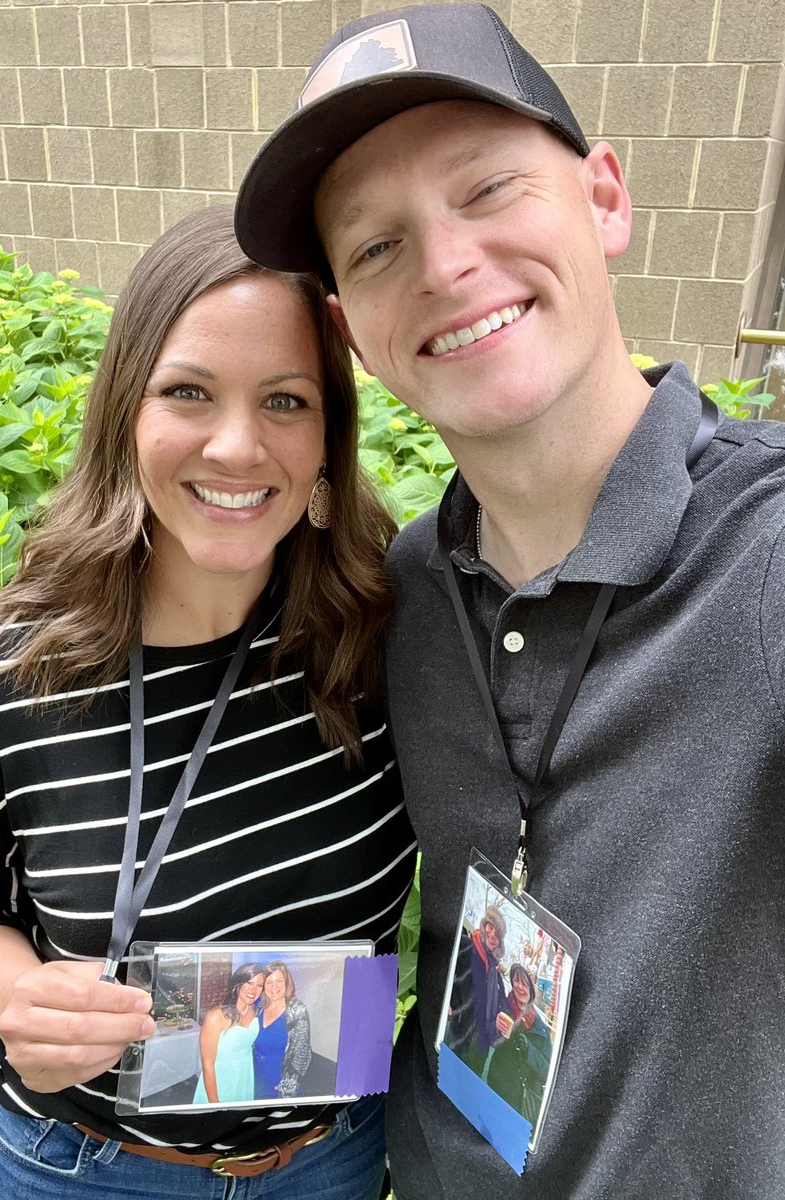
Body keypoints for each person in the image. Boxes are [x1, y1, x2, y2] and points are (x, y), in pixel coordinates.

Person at [234, 4, 785, 1197]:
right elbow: (457, 967)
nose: (441, 265)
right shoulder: (409, 594)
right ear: (353, 333)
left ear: (604, 200)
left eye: (486, 191)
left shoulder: (766, 553)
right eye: (374, 247)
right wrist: (146, 1041)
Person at [0, 205, 416, 1200]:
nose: (235, 445)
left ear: (329, 443)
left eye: (287, 401)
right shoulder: (1, 683)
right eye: (189, 392)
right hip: (84, 1166)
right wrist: (20, 1003)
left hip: (332, 1161)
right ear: (126, 414)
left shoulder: (384, 650)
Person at [444, 905, 507, 1077]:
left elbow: (501, 1006)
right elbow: (444, 972)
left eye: (498, 934)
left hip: (479, 1052)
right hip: (456, 1036)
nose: (493, 934)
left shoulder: (495, 972)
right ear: (484, 925)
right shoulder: (464, 946)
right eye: (491, 927)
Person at [487, 964, 551, 1125]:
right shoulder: (502, 1006)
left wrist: (528, 1048)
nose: (519, 987)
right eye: (516, 980)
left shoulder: (541, 1030)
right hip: (493, 1086)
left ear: (532, 989)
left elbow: (546, 1071)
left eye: (524, 983)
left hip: (518, 1104)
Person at [193, 963, 265, 1105]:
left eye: (259, 985)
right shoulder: (216, 1017)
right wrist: (215, 1105)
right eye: (249, 982)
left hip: (244, 1075)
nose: (254, 990)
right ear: (238, 983)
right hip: (220, 1081)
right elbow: (207, 1065)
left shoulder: (254, 1010)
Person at [253, 960, 312, 1099]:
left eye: (279, 980)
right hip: (256, 1075)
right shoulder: (259, 1005)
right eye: (269, 982)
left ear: (287, 982)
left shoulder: (296, 1010)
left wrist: (289, 1084)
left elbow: (302, 1052)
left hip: (279, 1079)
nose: (274, 986)